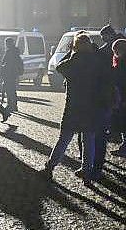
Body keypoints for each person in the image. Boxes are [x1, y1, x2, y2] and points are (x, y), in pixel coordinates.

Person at [42, 33, 108, 183]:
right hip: (91, 107)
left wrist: (71, 52)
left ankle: (50, 166)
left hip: (73, 106)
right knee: (89, 140)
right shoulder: (96, 62)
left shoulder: (72, 62)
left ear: (75, 47)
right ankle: (87, 171)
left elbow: (59, 66)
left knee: (64, 139)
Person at [94, 24, 125, 173]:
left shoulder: (109, 49)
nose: (102, 39)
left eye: (103, 36)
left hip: (111, 86)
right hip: (115, 85)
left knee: (110, 114)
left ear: (108, 35)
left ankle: (116, 135)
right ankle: (117, 134)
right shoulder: (120, 45)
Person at [1, 37, 24, 116]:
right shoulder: (15, 51)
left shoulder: (9, 52)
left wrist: (3, 69)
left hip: (9, 74)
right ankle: (14, 105)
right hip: (14, 74)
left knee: (9, 90)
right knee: (12, 90)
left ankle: (10, 104)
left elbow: (7, 63)